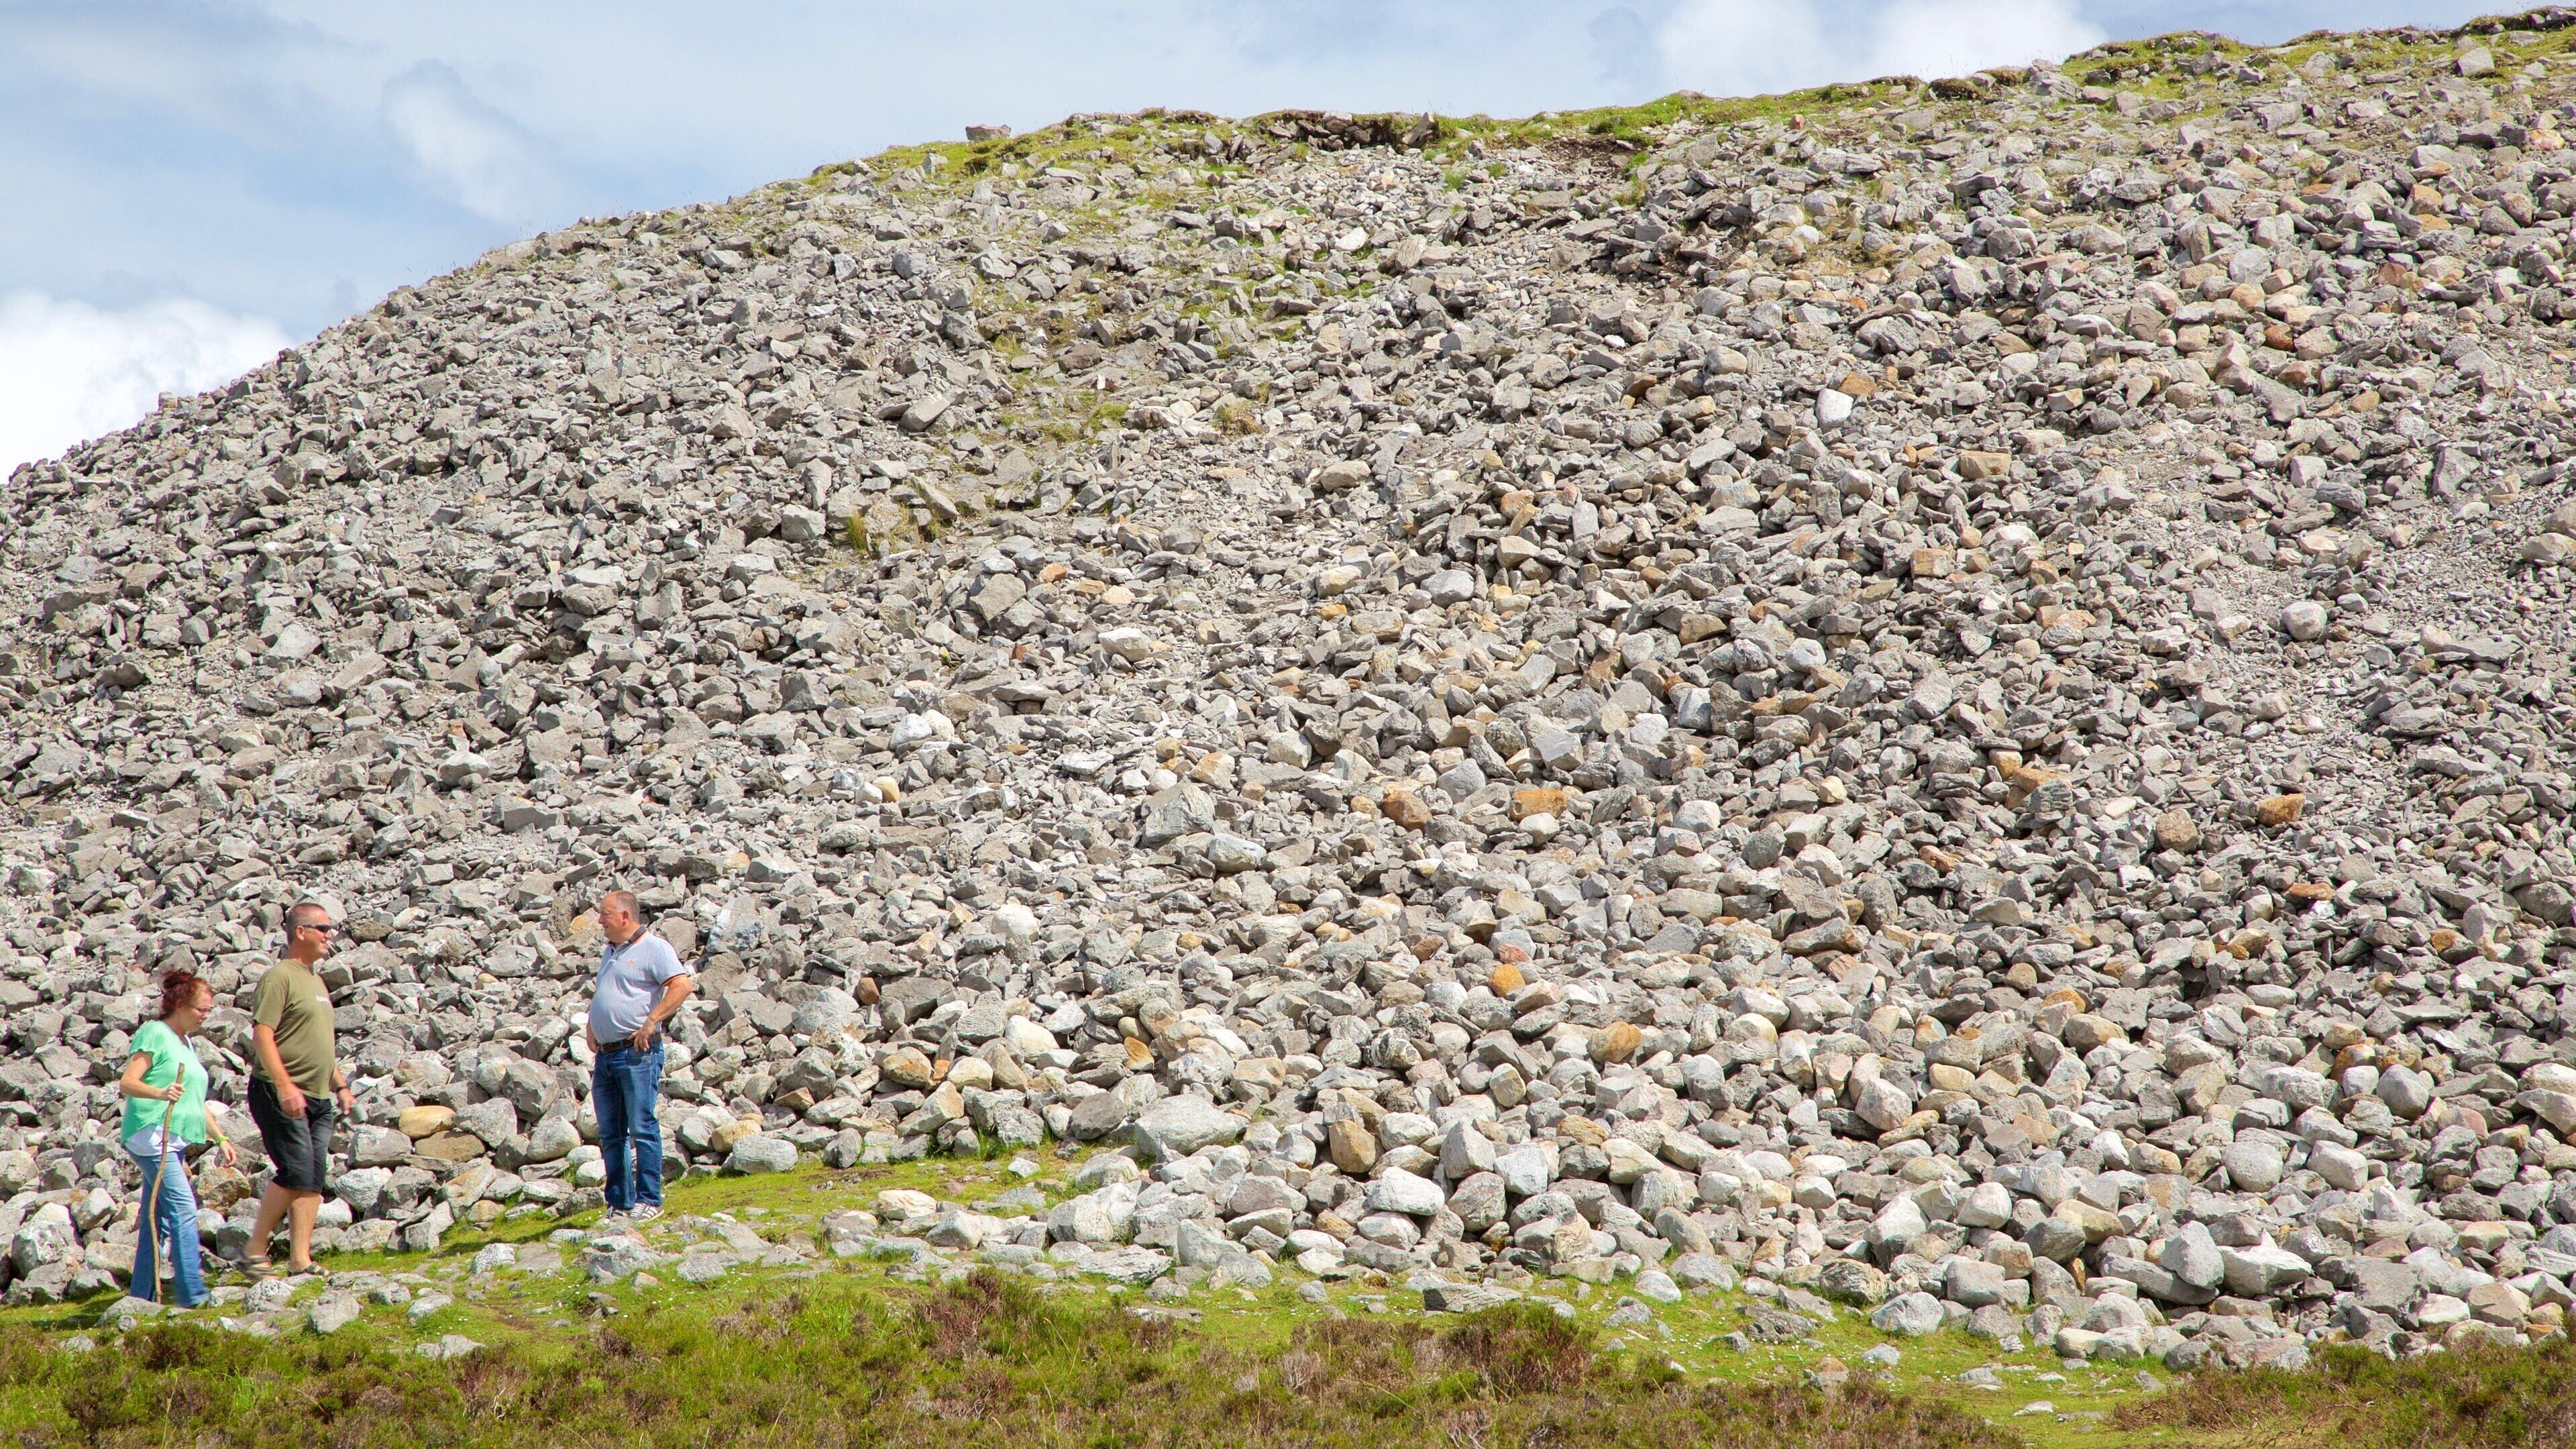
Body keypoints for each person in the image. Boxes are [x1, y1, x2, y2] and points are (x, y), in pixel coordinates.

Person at [243, 901, 354, 1278]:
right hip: (282, 1093)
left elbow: (316, 1041)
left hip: (319, 1096)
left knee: (313, 1176)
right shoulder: (280, 977)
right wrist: (285, 1085)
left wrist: (340, 1085)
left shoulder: (316, 981)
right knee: (296, 1170)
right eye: (323, 928)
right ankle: (253, 1251)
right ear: (300, 932)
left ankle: (300, 1260)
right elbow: (263, 1035)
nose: (330, 935)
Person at [117, 969, 237, 1307]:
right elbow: (128, 1083)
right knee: (184, 1209)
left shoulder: (186, 1043)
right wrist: (161, 1092)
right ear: (180, 1006)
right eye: (201, 1009)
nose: (205, 1016)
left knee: (156, 1218)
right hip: (152, 1136)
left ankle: (142, 1295)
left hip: (174, 1140)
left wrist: (221, 1138)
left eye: (208, 1010)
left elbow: (195, 1102)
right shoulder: (155, 1033)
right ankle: (192, 1293)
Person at [586, 891, 693, 1223]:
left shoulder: (654, 947)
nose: (600, 921)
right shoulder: (611, 951)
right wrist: (593, 1026)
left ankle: (650, 1200)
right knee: (611, 1133)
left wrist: (652, 1021)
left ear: (624, 916)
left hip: (637, 1053)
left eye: (605, 915)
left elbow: (681, 985)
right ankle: (619, 1203)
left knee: (642, 1127)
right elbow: (607, 993)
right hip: (606, 1056)